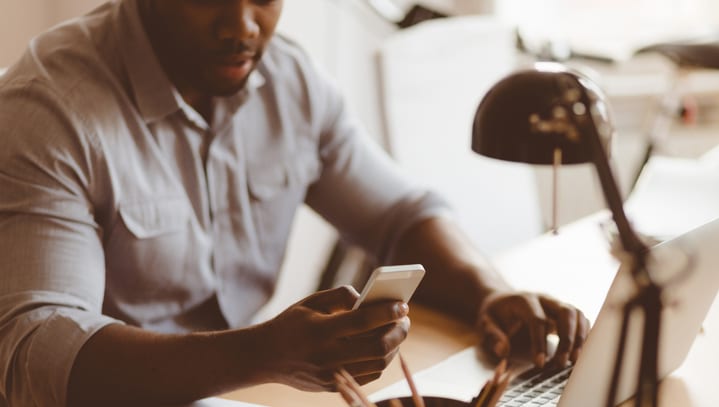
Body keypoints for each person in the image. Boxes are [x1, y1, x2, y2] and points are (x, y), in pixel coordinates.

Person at [0, 1, 590, 406]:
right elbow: (37, 353)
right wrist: (261, 353)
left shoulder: (290, 82)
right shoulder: (48, 110)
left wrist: (488, 291)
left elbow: (402, 214)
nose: (243, 27)